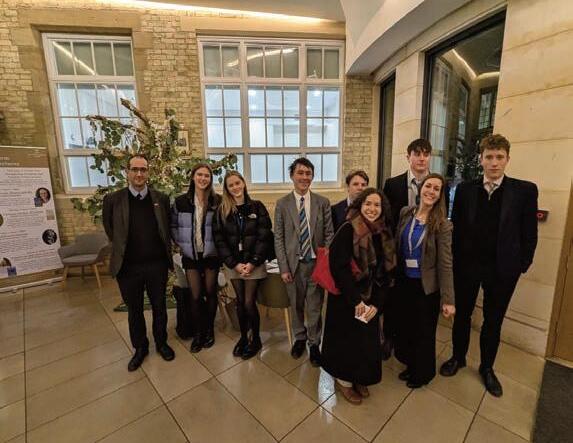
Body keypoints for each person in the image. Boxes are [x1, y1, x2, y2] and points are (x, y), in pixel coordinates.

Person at [440, 134, 538, 397]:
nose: (494, 163)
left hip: (502, 270)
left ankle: (487, 368)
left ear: (507, 159)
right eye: (489, 157)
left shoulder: (525, 191)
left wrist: (522, 265)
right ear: (481, 159)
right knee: (462, 316)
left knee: (493, 321)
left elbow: (529, 233)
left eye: (499, 157)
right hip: (467, 266)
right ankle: (458, 358)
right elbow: (457, 228)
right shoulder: (464, 189)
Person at [322, 188, 396, 404]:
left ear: (383, 209)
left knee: (365, 343)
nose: (372, 209)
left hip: (371, 296)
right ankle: (344, 381)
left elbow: (387, 271)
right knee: (346, 341)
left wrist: (376, 304)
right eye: (368, 204)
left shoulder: (384, 232)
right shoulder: (348, 228)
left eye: (377, 205)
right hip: (347, 297)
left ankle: (360, 377)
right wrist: (356, 301)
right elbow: (339, 268)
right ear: (360, 205)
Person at [102, 154, 175, 371]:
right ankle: (140, 348)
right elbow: (110, 229)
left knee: (159, 306)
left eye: (143, 169)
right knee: (134, 310)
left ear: (148, 172)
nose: (139, 174)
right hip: (128, 267)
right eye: (135, 169)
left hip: (156, 265)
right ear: (127, 172)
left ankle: (161, 343)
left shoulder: (161, 199)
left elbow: (166, 228)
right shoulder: (113, 200)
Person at [395, 173, 455, 388]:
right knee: (407, 328)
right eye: (428, 186)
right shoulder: (406, 213)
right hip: (405, 283)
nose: (431, 191)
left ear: (440, 195)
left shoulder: (443, 225)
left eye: (436, 189)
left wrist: (448, 300)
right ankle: (411, 365)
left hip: (426, 287)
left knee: (424, 333)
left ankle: (423, 374)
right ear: (421, 189)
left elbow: (445, 263)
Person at [381, 138, 437, 361]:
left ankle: (410, 342)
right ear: (408, 157)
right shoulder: (392, 184)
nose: (422, 158)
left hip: (424, 257)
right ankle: (389, 338)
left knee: (416, 305)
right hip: (398, 253)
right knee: (393, 298)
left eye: (426, 154)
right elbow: (386, 220)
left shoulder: (437, 184)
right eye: (417, 153)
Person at [274, 157, 334, 367]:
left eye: (308, 173)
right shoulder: (282, 204)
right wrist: (283, 267)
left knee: (315, 307)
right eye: (300, 173)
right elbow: (278, 238)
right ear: (292, 176)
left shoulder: (322, 202)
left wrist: (324, 264)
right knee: (296, 304)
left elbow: (329, 234)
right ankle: (300, 338)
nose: (304, 177)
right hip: (293, 265)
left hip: (316, 265)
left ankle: (314, 343)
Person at [213, 171, 273, 360]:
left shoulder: (257, 206)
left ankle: (256, 339)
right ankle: (243, 338)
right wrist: (235, 264)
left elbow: (264, 236)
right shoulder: (222, 211)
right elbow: (219, 240)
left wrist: (252, 262)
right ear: (227, 189)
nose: (235, 187)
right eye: (231, 185)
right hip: (234, 264)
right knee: (240, 302)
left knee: (248, 302)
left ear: (244, 183)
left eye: (237, 183)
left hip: (254, 263)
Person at [171, 163, 221, 353]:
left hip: (211, 254)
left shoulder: (217, 201)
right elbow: (173, 225)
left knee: (210, 292)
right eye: (199, 174)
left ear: (210, 179)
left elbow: (223, 227)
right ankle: (199, 333)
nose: (203, 178)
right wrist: (182, 243)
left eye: (207, 176)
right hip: (190, 255)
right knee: (195, 295)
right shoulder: (181, 202)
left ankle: (210, 331)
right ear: (193, 177)